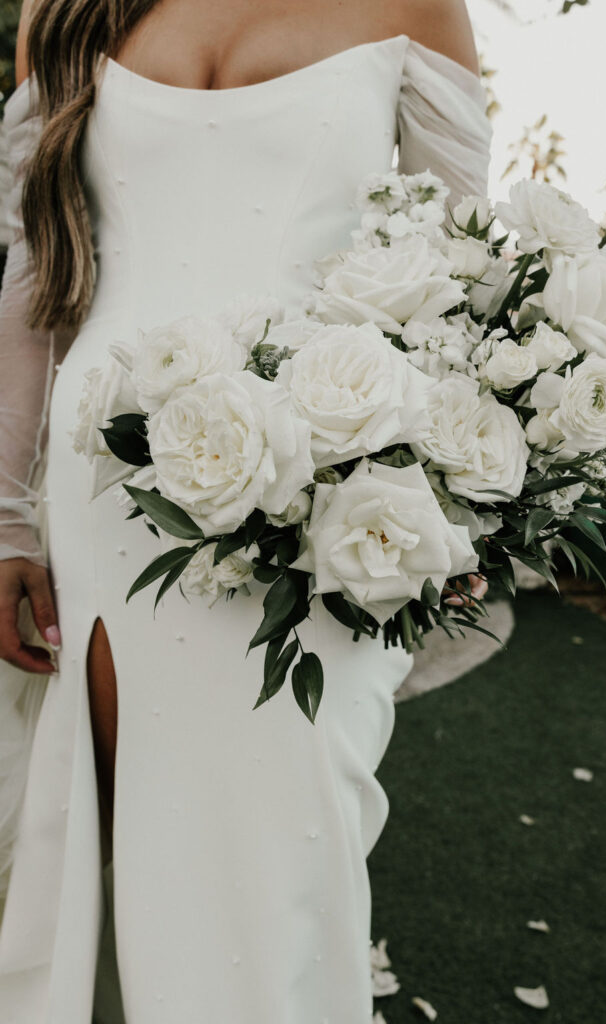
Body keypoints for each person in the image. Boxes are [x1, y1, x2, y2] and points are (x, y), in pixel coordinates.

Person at [0, 1, 491, 1020]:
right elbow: (36, 277)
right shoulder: (67, 11)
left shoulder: (415, 5)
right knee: (121, 834)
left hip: (325, 489)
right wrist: (5, 512)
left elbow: (459, 279)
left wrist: (459, 499)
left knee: (284, 837)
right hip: (104, 491)